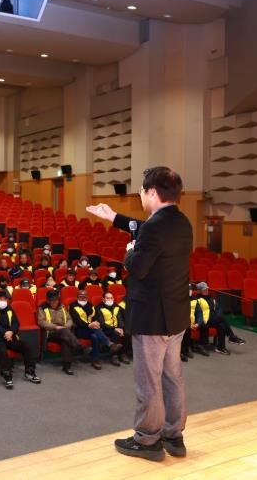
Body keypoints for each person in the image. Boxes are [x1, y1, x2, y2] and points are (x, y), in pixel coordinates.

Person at [88, 166, 192, 462]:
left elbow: (138, 267)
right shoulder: (181, 222)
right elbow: (148, 231)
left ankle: (147, 439)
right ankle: (173, 435)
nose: (141, 195)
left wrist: (130, 250)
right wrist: (114, 217)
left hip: (151, 318)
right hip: (175, 314)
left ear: (152, 192)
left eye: (143, 191)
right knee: (173, 378)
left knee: (148, 381)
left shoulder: (153, 228)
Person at [0, 290, 40, 389]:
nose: (4, 301)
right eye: (2, 299)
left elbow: (16, 323)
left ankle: (30, 372)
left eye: (5, 299)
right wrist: (5, 332)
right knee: (2, 350)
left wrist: (11, 332)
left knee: (27, 346)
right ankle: (7, 376)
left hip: (11, 337)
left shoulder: (9, 308)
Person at [70, 289, 118, 369]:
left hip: (91, 329)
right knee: (95, 332)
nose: (83, 298)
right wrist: (89, 325)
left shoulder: (90, 305)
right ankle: (108, 343)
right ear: (77, 297)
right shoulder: (73, 306)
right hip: (79, 330)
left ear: (87, 297)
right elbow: (77, 321)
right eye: (81, 296)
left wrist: (96, 323)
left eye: (85, 297)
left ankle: (95, 360)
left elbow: (95, 317)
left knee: (95, 336)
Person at [193, 282, 245, 355]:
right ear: (199, 291)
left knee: (222, 325)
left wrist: (218, 316)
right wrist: (217, 317)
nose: (206, 291)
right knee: (222, 320)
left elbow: (218, 309)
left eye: (207, 289)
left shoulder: (211, 299)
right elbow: (198, 313)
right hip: (204, 321)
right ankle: (231, 337)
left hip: (213, 320)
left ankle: (221, 347)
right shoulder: (196, 300)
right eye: (204, 290)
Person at [37, 289, 81, 375]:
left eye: (56, 300)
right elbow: (41, 322)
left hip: (64, 331)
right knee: (65, 333)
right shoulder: (42, 308)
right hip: (51, 332)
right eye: (52, 300)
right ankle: (77, 344)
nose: (54, 302)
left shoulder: (62, 307)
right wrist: (55, 327)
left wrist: (65, 326)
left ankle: (67, 366)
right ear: (48, 300)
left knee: (65, 340)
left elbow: (70, 319)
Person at [95, 291, 131, 366]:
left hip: (117, 328)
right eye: (107, 298)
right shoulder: (99, 308)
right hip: (106, 329)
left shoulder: (116, 306)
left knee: (127, 332)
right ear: (103, 299)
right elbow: (101, 323)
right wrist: (114, 328)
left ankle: (123, 353)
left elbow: (120, 319)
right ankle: (114, 355)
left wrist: (121, 328)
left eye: (111, 298)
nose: (110, 299)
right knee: (116, 334)